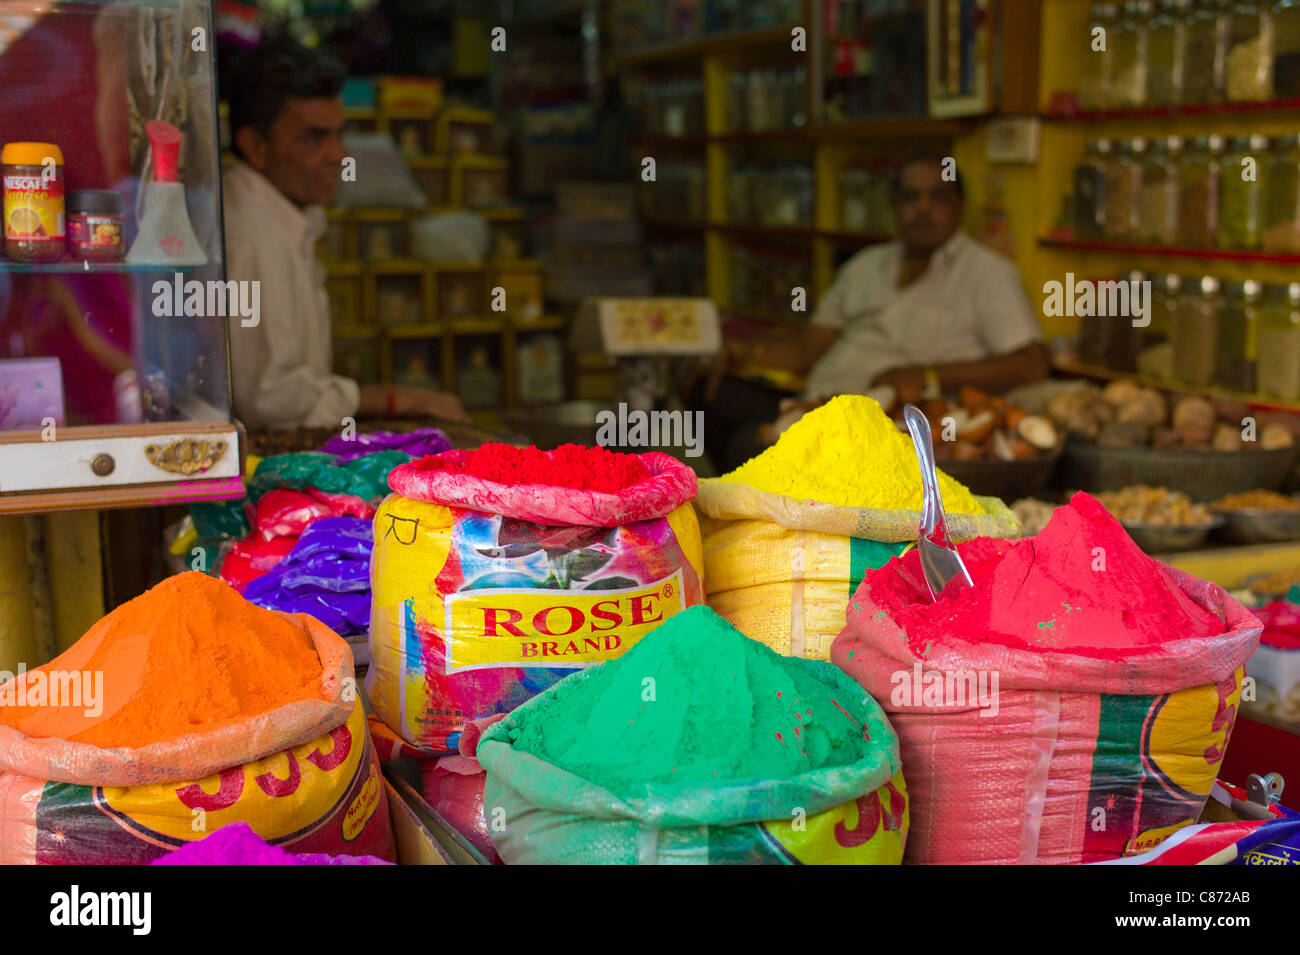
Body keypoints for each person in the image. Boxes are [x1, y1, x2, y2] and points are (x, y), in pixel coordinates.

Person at [692, 155, 1048, 471]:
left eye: (937, 197)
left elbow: (1031, 362)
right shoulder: (865, 266)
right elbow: (806, 349)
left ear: (959, 207)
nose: (923, 208)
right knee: (707, 391)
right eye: (910, 198)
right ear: (894, 206)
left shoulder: (986, 273)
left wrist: (925, 374)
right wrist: (739, 352)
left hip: (892, 424)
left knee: (747, 445)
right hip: (816, 403)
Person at [222, 37, 466, 428]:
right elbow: (269, 399)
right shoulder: (250, 232)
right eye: (315, 137)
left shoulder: (286, 218)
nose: (340, 155)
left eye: (339, 134)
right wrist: (393, 399)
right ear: (255, 146)